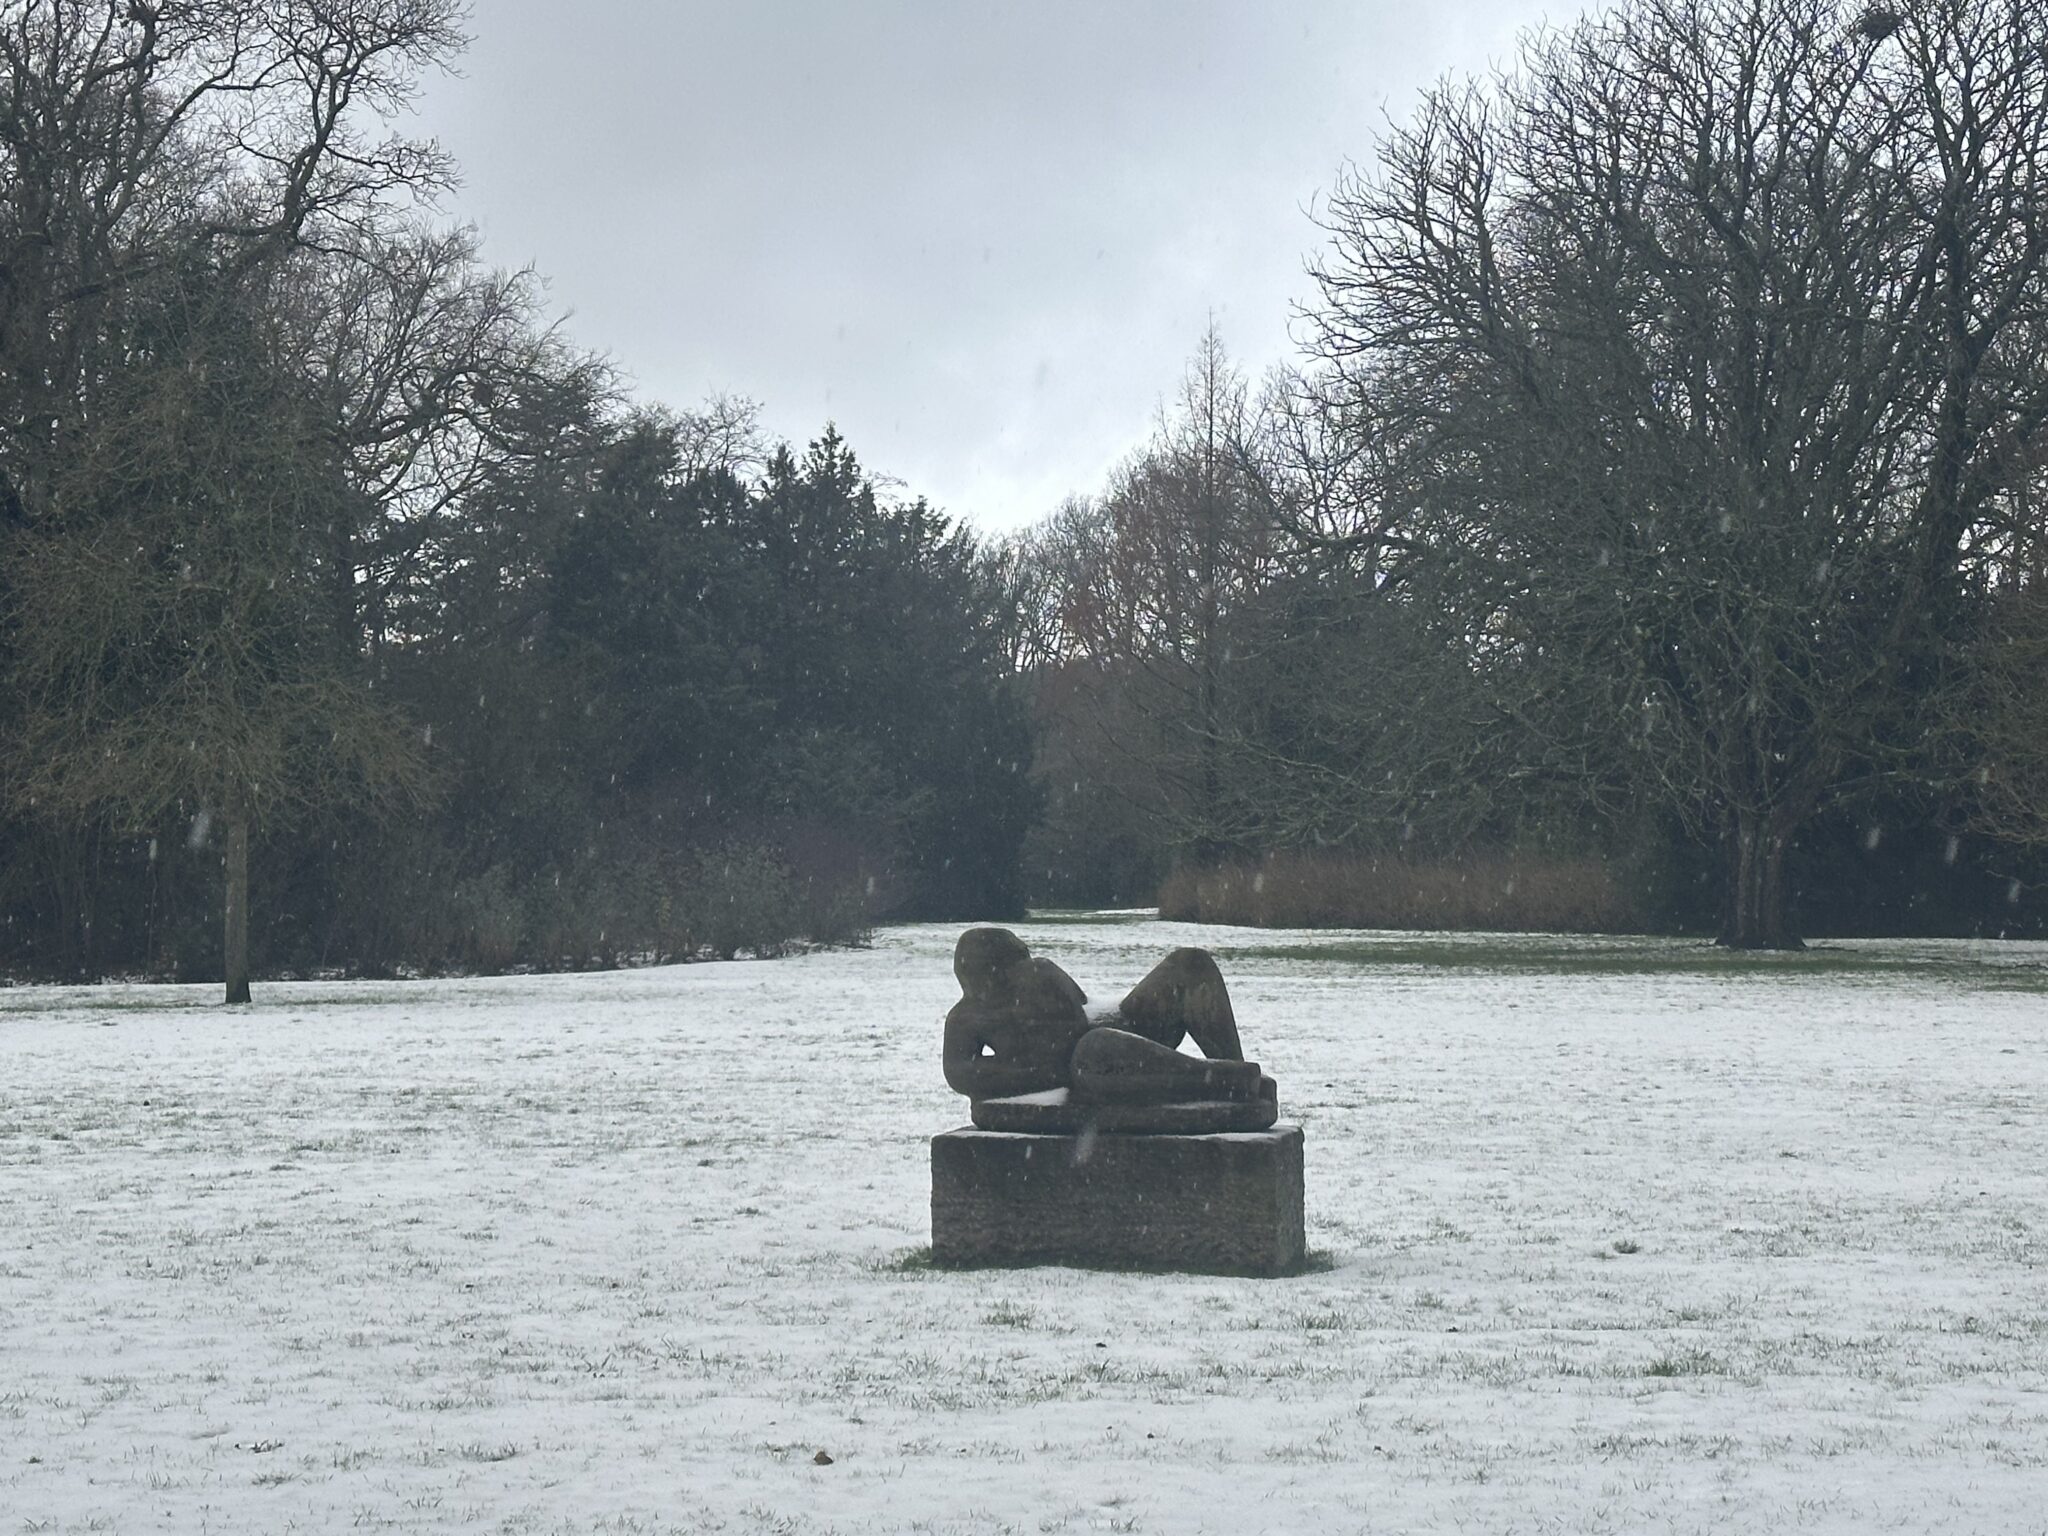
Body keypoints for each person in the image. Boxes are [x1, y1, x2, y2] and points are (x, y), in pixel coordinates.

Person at [941, 927, 1262, 1104]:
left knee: (1190, 964)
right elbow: (962, 1074)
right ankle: (1228, 1080)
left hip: (1126, 1028)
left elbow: (1074, 1024)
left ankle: (1238, 1072)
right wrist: (1042, 1070)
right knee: (1091, 1051)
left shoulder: (1040, 973)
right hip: (1098, 1063)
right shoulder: (965, 1019)